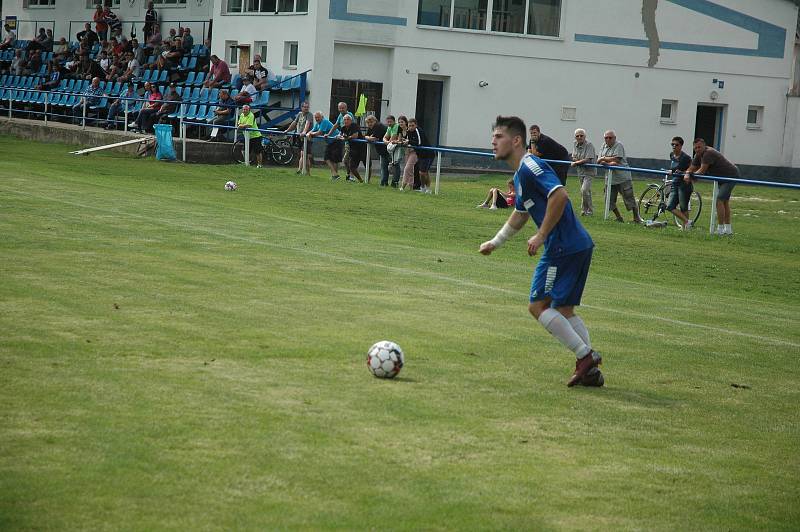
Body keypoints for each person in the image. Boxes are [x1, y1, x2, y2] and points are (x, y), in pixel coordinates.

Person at [479, 116, 602, 387]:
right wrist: (495, 242)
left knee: (538, 306)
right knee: (564, 310)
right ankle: (591, 371)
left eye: (498, 137)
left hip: (561, 245)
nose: (493, 142)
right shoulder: (520, 174)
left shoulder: (530, 166)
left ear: (516, 140)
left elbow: (560, 195)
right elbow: (521, 214)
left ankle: (585, 356)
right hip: (577, 244)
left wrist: (542, 234)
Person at [685, 138, 739, 235]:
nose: (697, 149)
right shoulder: (698, 155)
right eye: (695, 148)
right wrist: (688, 172)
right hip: (721, 177)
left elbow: (701, 171)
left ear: (704, 146)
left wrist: (691, 176)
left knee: (719, 200)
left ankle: (720, 229)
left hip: (730, 176)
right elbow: (692, 167)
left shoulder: (708, 153)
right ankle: (728, 229)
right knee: (725, 202)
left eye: (699, 147)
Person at [596, 130, 643, 223]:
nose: (608, 139)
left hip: (622, 177)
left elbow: (616, 159)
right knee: (608, 199)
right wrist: (606, 161)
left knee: (629, 198)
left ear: (615, 138)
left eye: (610, 137)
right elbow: (599, 160)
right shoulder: (603, 146)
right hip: (610, 178)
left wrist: (604, 159)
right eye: (606, 138)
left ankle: (636, 218)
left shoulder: (618, 145)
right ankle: (618, 217)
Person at [665, 136, 694, 229]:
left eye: (676, 145)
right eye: (672, 144)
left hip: (684, 184)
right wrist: (672, 171)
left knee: (683, 207)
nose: (674, 146)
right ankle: (687, 222)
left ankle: (685, 228)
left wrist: (671, 171)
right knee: (669, 206)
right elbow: (674, 169)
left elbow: (679, 168)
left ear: (681, 146)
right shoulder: (671, 155)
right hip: (675, 183)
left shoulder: (685, 157)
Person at [571, 128, 597, 216]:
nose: (579, 137)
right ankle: (585, 211)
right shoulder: (575, 144)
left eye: (581, 135)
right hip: (580, 171)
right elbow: (573, 156)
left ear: (585, 136)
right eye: (577, 136)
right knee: (585, 192)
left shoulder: (589, 145)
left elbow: (588, 159)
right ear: (575, 137)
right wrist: (577, 161)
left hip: (589, 172)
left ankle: (589, 210)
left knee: (584, 190)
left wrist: (577, 162)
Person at [324, 102, 354, 179]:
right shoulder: (340, 115)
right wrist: (329, 134)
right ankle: (347, 175)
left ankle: (351, 176)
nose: (341, 109)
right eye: (340, 108)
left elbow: (350, 127)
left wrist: (342, 135)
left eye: (343, 108)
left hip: (351, 140)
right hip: (345, 140)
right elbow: (336, 125)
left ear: (346, 108)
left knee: (349, 159)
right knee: (345, 160)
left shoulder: (349, 115)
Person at [284, 100, 314, 173]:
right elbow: (294, 123)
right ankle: (307, 172)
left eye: (307, 107)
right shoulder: (299, 114)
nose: (306, 108)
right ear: (301, 107)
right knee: (303, 155)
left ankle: (300, 170)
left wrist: (304, 132)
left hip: (307, 138)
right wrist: (287, 130)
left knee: (304, 154)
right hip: (300, 137)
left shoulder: (309, 114)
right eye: (305, 107)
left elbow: (307, 124)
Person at [306, 111, 338, 179]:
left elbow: (320, 132)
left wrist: (311, 134)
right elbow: (313, 130)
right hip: (330, 142)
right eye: (316, 117)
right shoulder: (317, 124)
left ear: (322, 117)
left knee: (334, 159)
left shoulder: (324, 121)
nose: (317, 119)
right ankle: (335, 175)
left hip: (336, 140)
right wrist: (308, 133)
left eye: (318, 117)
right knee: (327, 158)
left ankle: (335, 175)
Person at [407, 118, 435, 193]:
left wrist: (408, 142)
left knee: (423, 172)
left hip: (428, 154)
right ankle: (423, 188)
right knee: (423, 172)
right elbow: (410, 142)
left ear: (416, 125)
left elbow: (418, 143)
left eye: (412, 125)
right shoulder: (408, 132)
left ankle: (427, 188)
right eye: (409, 126)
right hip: (420, 154)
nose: (411, 127)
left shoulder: (418, 131)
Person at [339, 114, 366, 183]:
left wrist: (346, 138)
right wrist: (341, 137)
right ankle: (360, 180)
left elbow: (355, 136)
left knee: (367, 164)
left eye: (348, 119)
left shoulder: (354, 126)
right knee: (350, 165)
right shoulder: (343, 128)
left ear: (351, 120)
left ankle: (367, 181)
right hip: (352, 148)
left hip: (361, 147)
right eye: (344, 119)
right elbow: (340, 135)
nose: (346, 121)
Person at [365, 115, 389, 186]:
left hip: (388, 149)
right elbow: (366, 136)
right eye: (368, 123)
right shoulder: (371, 127)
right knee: (383, 166)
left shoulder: (378, 126)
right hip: (382, 149)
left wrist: (369, 137)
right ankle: (384, 183)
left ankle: (387, 183)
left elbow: (374, 138)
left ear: (375, 121)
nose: (369, 124)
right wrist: (368, 137)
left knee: (389, 166)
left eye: (371, 122)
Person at [382, 115, 402, 188]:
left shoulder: (396, 126)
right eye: (388, 122)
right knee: (392, 165)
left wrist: (387, 141)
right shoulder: (389, 127)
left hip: (397, 149)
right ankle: (390, 182)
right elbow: (384, 138)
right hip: (392, 148)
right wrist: (387, 141)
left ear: (394, 121)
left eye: (390, 122)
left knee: (396, 165)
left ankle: (395, 182)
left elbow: (392, 138)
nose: (389, 123)